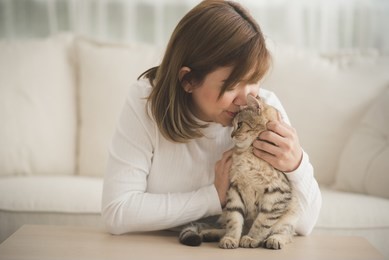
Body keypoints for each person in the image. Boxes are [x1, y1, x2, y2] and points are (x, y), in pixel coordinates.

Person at [102, 0, 321, 236]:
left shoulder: (263, 112)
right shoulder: (145, 101)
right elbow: (117, 212)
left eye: (254, 79)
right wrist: (213, 197)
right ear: (188, 80)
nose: (246, 98)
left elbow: (304, 224)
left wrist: (297, 165)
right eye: (233, 85)